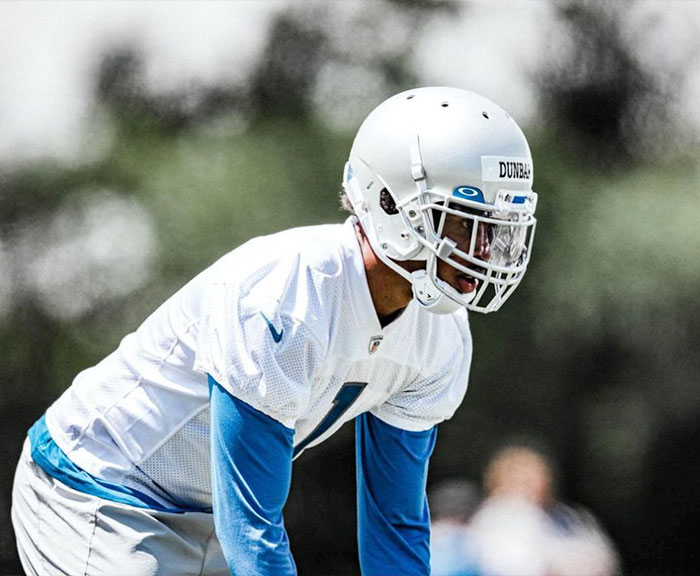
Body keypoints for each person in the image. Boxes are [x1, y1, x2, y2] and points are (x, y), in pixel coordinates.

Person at [11, 87, 538, 575]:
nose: (484, 252)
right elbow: (253, 528)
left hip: (209, 510)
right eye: (466, 222)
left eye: (498, 229)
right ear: (389, 206)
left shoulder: (443, 335)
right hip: (98, 487)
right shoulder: (287, 295)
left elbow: (394, 527)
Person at [468, 444, 620, 576]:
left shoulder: (570, 517)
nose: (532, 484)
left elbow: (603, 559)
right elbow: (511, 565)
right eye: (522, 478)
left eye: (536, 476)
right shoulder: (496, 518)